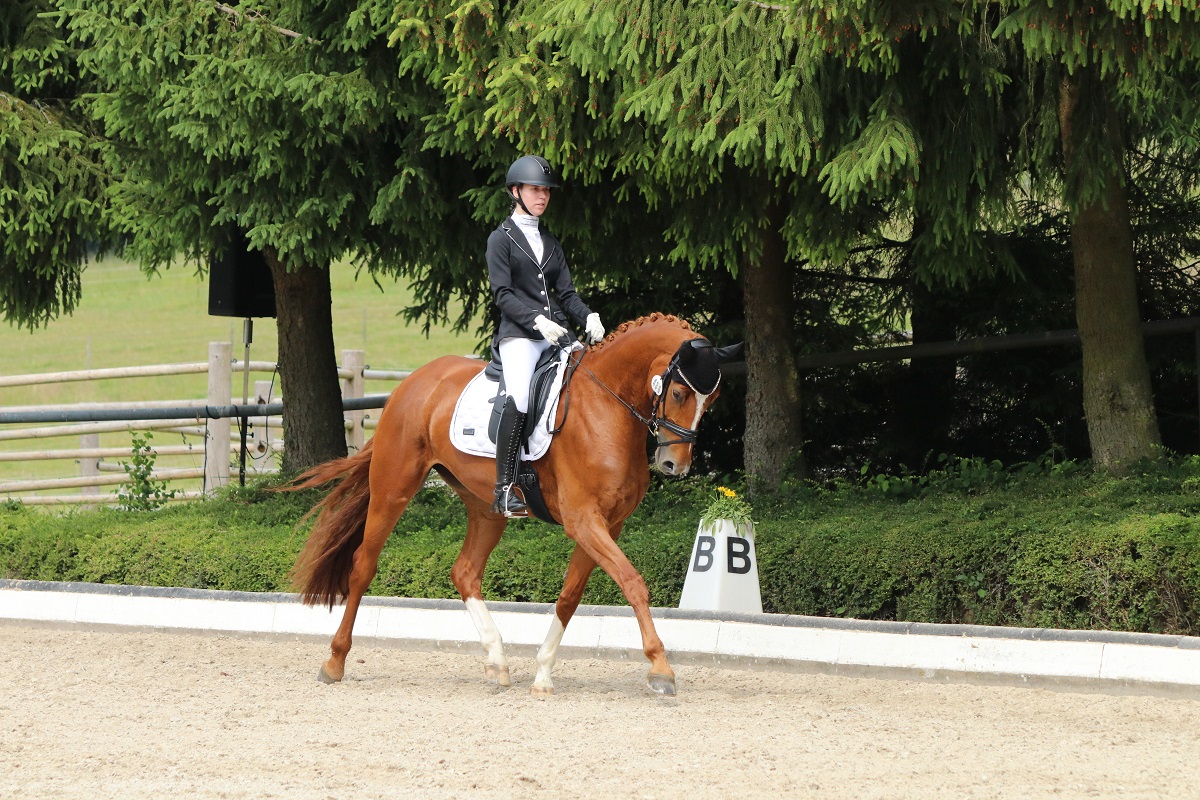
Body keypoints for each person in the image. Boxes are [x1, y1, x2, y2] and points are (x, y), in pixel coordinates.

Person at [486, 154, 605, 517]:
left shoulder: (550, 242)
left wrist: (589, 316)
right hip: (520, 336)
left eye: (546, 191)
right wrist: (537, 322)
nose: (542, 196)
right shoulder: (500, 239)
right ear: (515, 191)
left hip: (556, 334)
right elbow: (502, 294)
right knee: (519, 394)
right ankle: (504, 487)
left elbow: (566, 294)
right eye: (535, 189)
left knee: (589, 378)